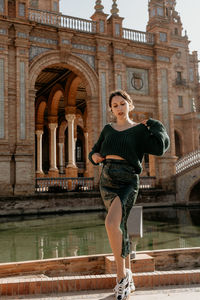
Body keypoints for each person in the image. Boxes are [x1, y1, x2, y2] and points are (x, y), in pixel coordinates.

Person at [88, 90, 170, 300]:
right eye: (115, 105)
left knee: (111, 223)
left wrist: (154, 124)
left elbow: (160, 148)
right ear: (111, 109)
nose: (119, 108)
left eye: (122, 104)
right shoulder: (108, 129)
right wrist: (94, 157)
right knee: (120, 226)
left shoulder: (139, 131)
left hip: (128, 181)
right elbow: (94, 151)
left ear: (130, 105)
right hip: (107, 180)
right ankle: (128, 278)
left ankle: (121, 277)